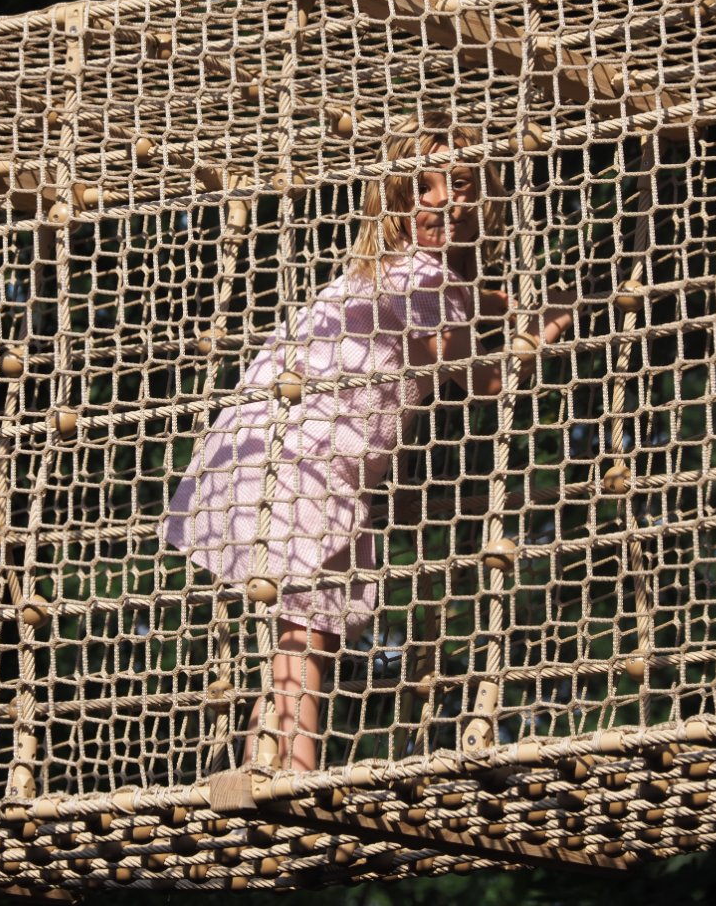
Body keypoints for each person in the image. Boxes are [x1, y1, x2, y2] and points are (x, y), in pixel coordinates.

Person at [161, 110, 577, 771]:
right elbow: (481, 377)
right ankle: (286, 772)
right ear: (394, 202)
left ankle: (268, 761)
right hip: (299, 461)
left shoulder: (388, 276)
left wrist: (511, 303)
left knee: (301, 633)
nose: (448, 200)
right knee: (306, 633)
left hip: (259, 454)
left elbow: (465, 305)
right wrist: (544, 326)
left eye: (463, 183)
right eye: (426, 188)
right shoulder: (420, 277)